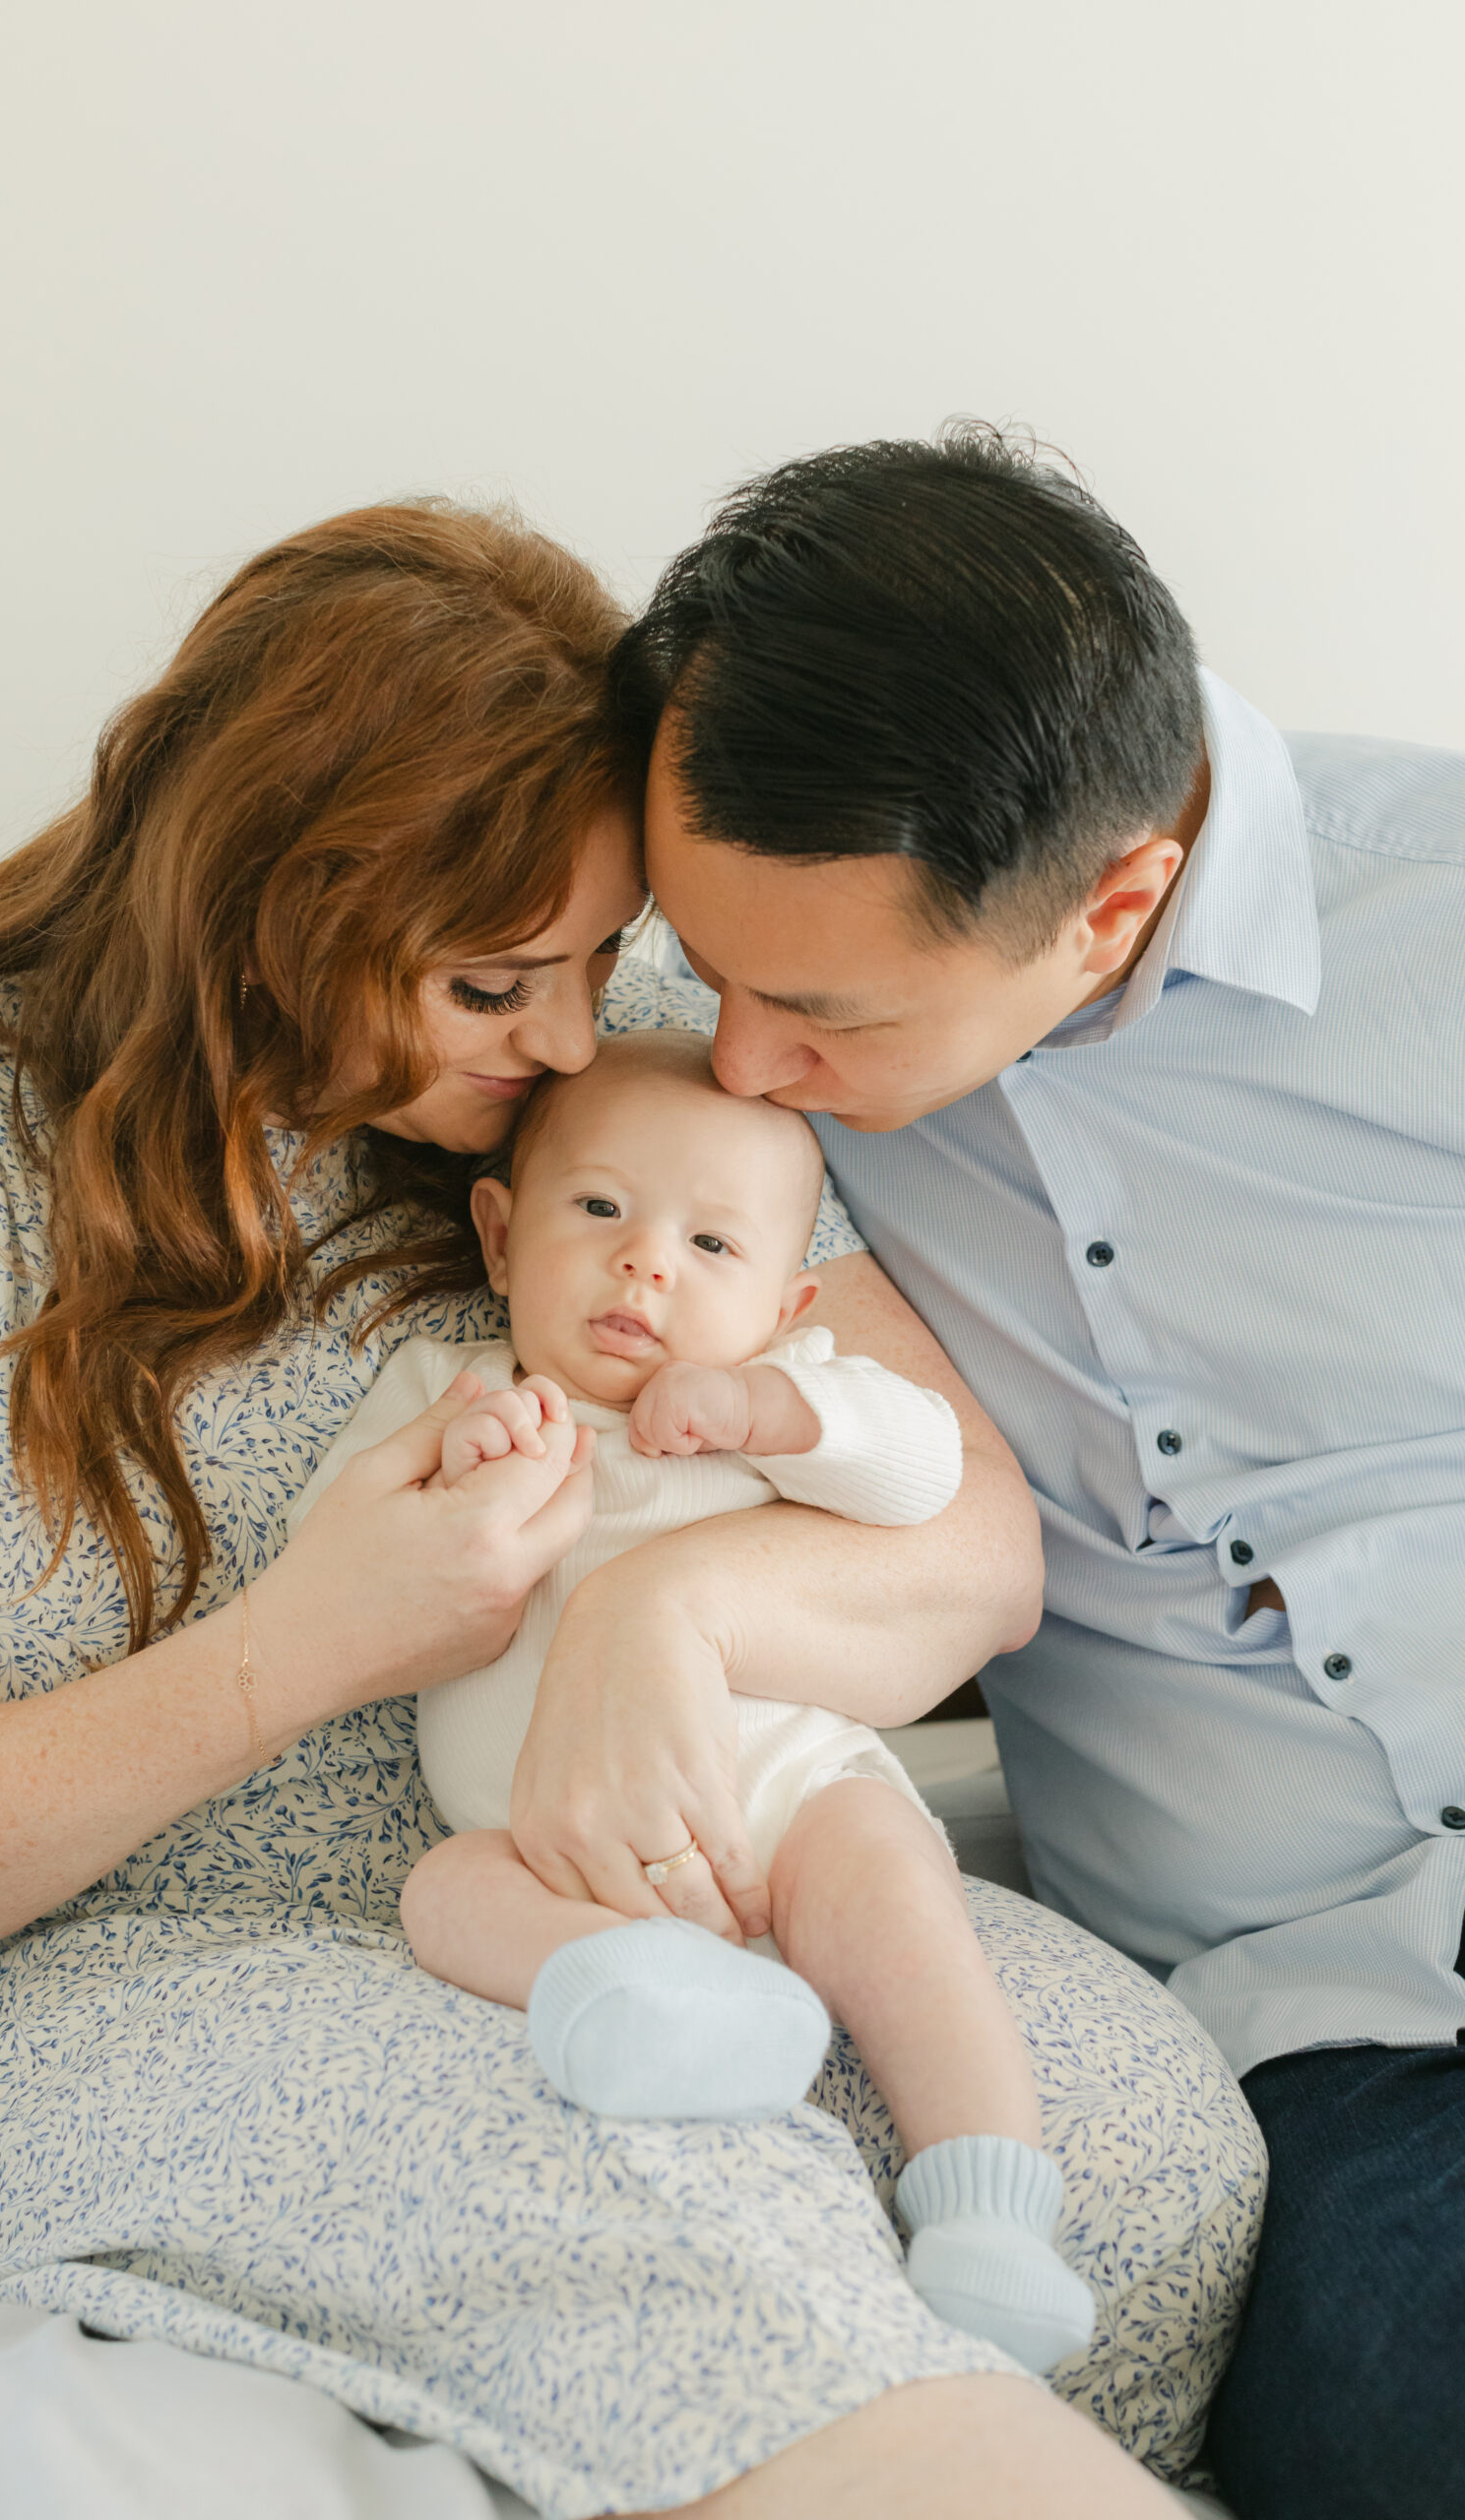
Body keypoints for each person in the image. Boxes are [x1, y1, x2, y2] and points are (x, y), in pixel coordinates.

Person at [0, 499, 1182, 2518]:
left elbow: (967, 1541)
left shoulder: (613, 1116)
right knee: (683, 2213)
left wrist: (664, 1616)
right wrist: (302, 1646)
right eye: (491, 978)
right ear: (280, 901)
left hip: (638, 1862)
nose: (565, 1037)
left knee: (1146, 2159)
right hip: (112, 1968)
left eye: (599, 960)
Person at [621, 425, 1465, 2520]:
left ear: (1112, 905)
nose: (737, 1063)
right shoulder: (731, 1125)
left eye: (807, 1009)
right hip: (1337, 2027)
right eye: (708, 970)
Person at [294, 1029, 1097, 2376]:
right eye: (598, 1210)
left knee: (898, 1892)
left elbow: (921, 1478)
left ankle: (986, 2210)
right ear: (499, 1238)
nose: (645, 1263)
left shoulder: (791, 1395)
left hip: (785, 1803)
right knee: (444, 1894)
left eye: (712, 1249)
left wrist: (772, 1409)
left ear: (788, 1302)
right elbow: (333, 1564)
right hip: (543, 1844)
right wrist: (450, 1474)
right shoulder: (455, 1393)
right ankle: (662, 2003)